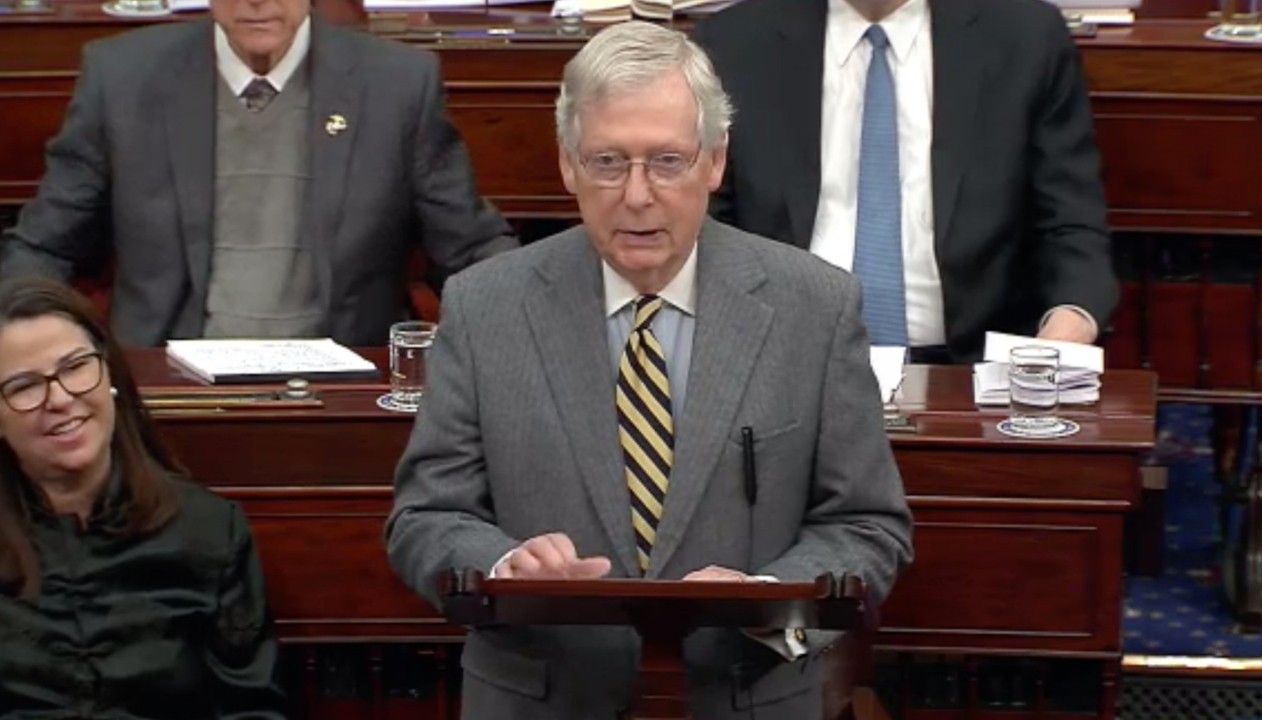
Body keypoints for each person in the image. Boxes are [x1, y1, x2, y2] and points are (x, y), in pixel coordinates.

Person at [385, 21, 913, 719]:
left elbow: (868, 526)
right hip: (542, 697)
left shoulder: (814, 306)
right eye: (608, 162)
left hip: (746, 695)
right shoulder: (486, 306)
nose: (637, 195)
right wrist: (504, 568)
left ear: (715, 162)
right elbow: (426, 516)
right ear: (568, 165)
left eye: (667, 161)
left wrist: (767, 598)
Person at [0, 0, 515, 347]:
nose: (256, 1)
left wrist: (536, 324)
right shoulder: (123, 78)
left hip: (343, 389)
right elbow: (45, 247)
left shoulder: (397, 84)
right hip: (164, 392)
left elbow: (470, 249)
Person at [691, 0, 1118, 363]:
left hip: (970, 369)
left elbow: (1070, 225)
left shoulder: (1025, 38)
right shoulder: (732, 43)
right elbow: (707, 229)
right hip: (785, 362)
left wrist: (1065, 328)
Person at [0, 277, 285, 718]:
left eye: (76, 366)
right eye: (24, 386)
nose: (59, 398)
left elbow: (253, 709)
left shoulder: (209, 531)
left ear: (110, 373)